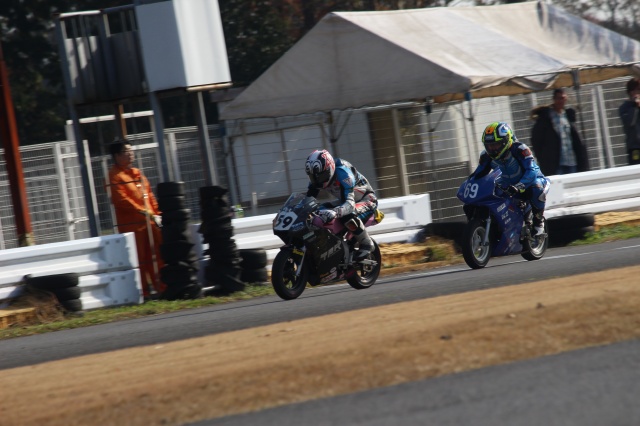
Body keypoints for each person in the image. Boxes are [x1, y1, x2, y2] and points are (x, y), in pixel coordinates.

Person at [469, 122, 550, 236]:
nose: (492, 149)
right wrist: (469, 183)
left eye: (496, 145)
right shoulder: (486, 156)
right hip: (506, 183)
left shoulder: (520, 149)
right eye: (489, 145)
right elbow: (479, 173)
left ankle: (538, 223)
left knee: (536, 187)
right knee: (488, 195)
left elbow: (531, 171)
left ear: (506, 141)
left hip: (530, 181)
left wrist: (519, 186)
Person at [108, 140, 166, 298]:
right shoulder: (114, 176)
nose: (130, 154)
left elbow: (149, 195)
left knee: (156, 256)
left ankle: (162, 288)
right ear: (117, 156)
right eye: (126, 151)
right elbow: (121, 200)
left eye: (131, 151)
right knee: (139, 260)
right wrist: (142, 211)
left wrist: (157, 213)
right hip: (132, 226)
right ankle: (144, 293)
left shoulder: (137, 173)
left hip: (150, 223)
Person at [305, 149, 377, 261]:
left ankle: (367, 243)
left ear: (329, 169)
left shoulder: (343, 173)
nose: (318, 180)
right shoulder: (317, 177)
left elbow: (350, 205)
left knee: (346, 215)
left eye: (321, 176)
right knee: (317, 211)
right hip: (344, 201)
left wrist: (335, 212)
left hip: (366, 200)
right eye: (313, 177)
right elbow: (307, 200)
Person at [530, 88, 590, 175]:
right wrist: (543, 158)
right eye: (559, 98)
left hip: (571, 161)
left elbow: (576, 140)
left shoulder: (568, 116)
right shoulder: (546, 118)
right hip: (556, 164)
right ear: (554, 99)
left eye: (563, 98)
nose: (561, 101)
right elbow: (536, 140)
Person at [618, 77, 640, 165]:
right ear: (632, 92)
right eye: (639, 89)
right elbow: (630, 122)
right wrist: (635, 106)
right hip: (635, 148)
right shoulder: (624, 108)